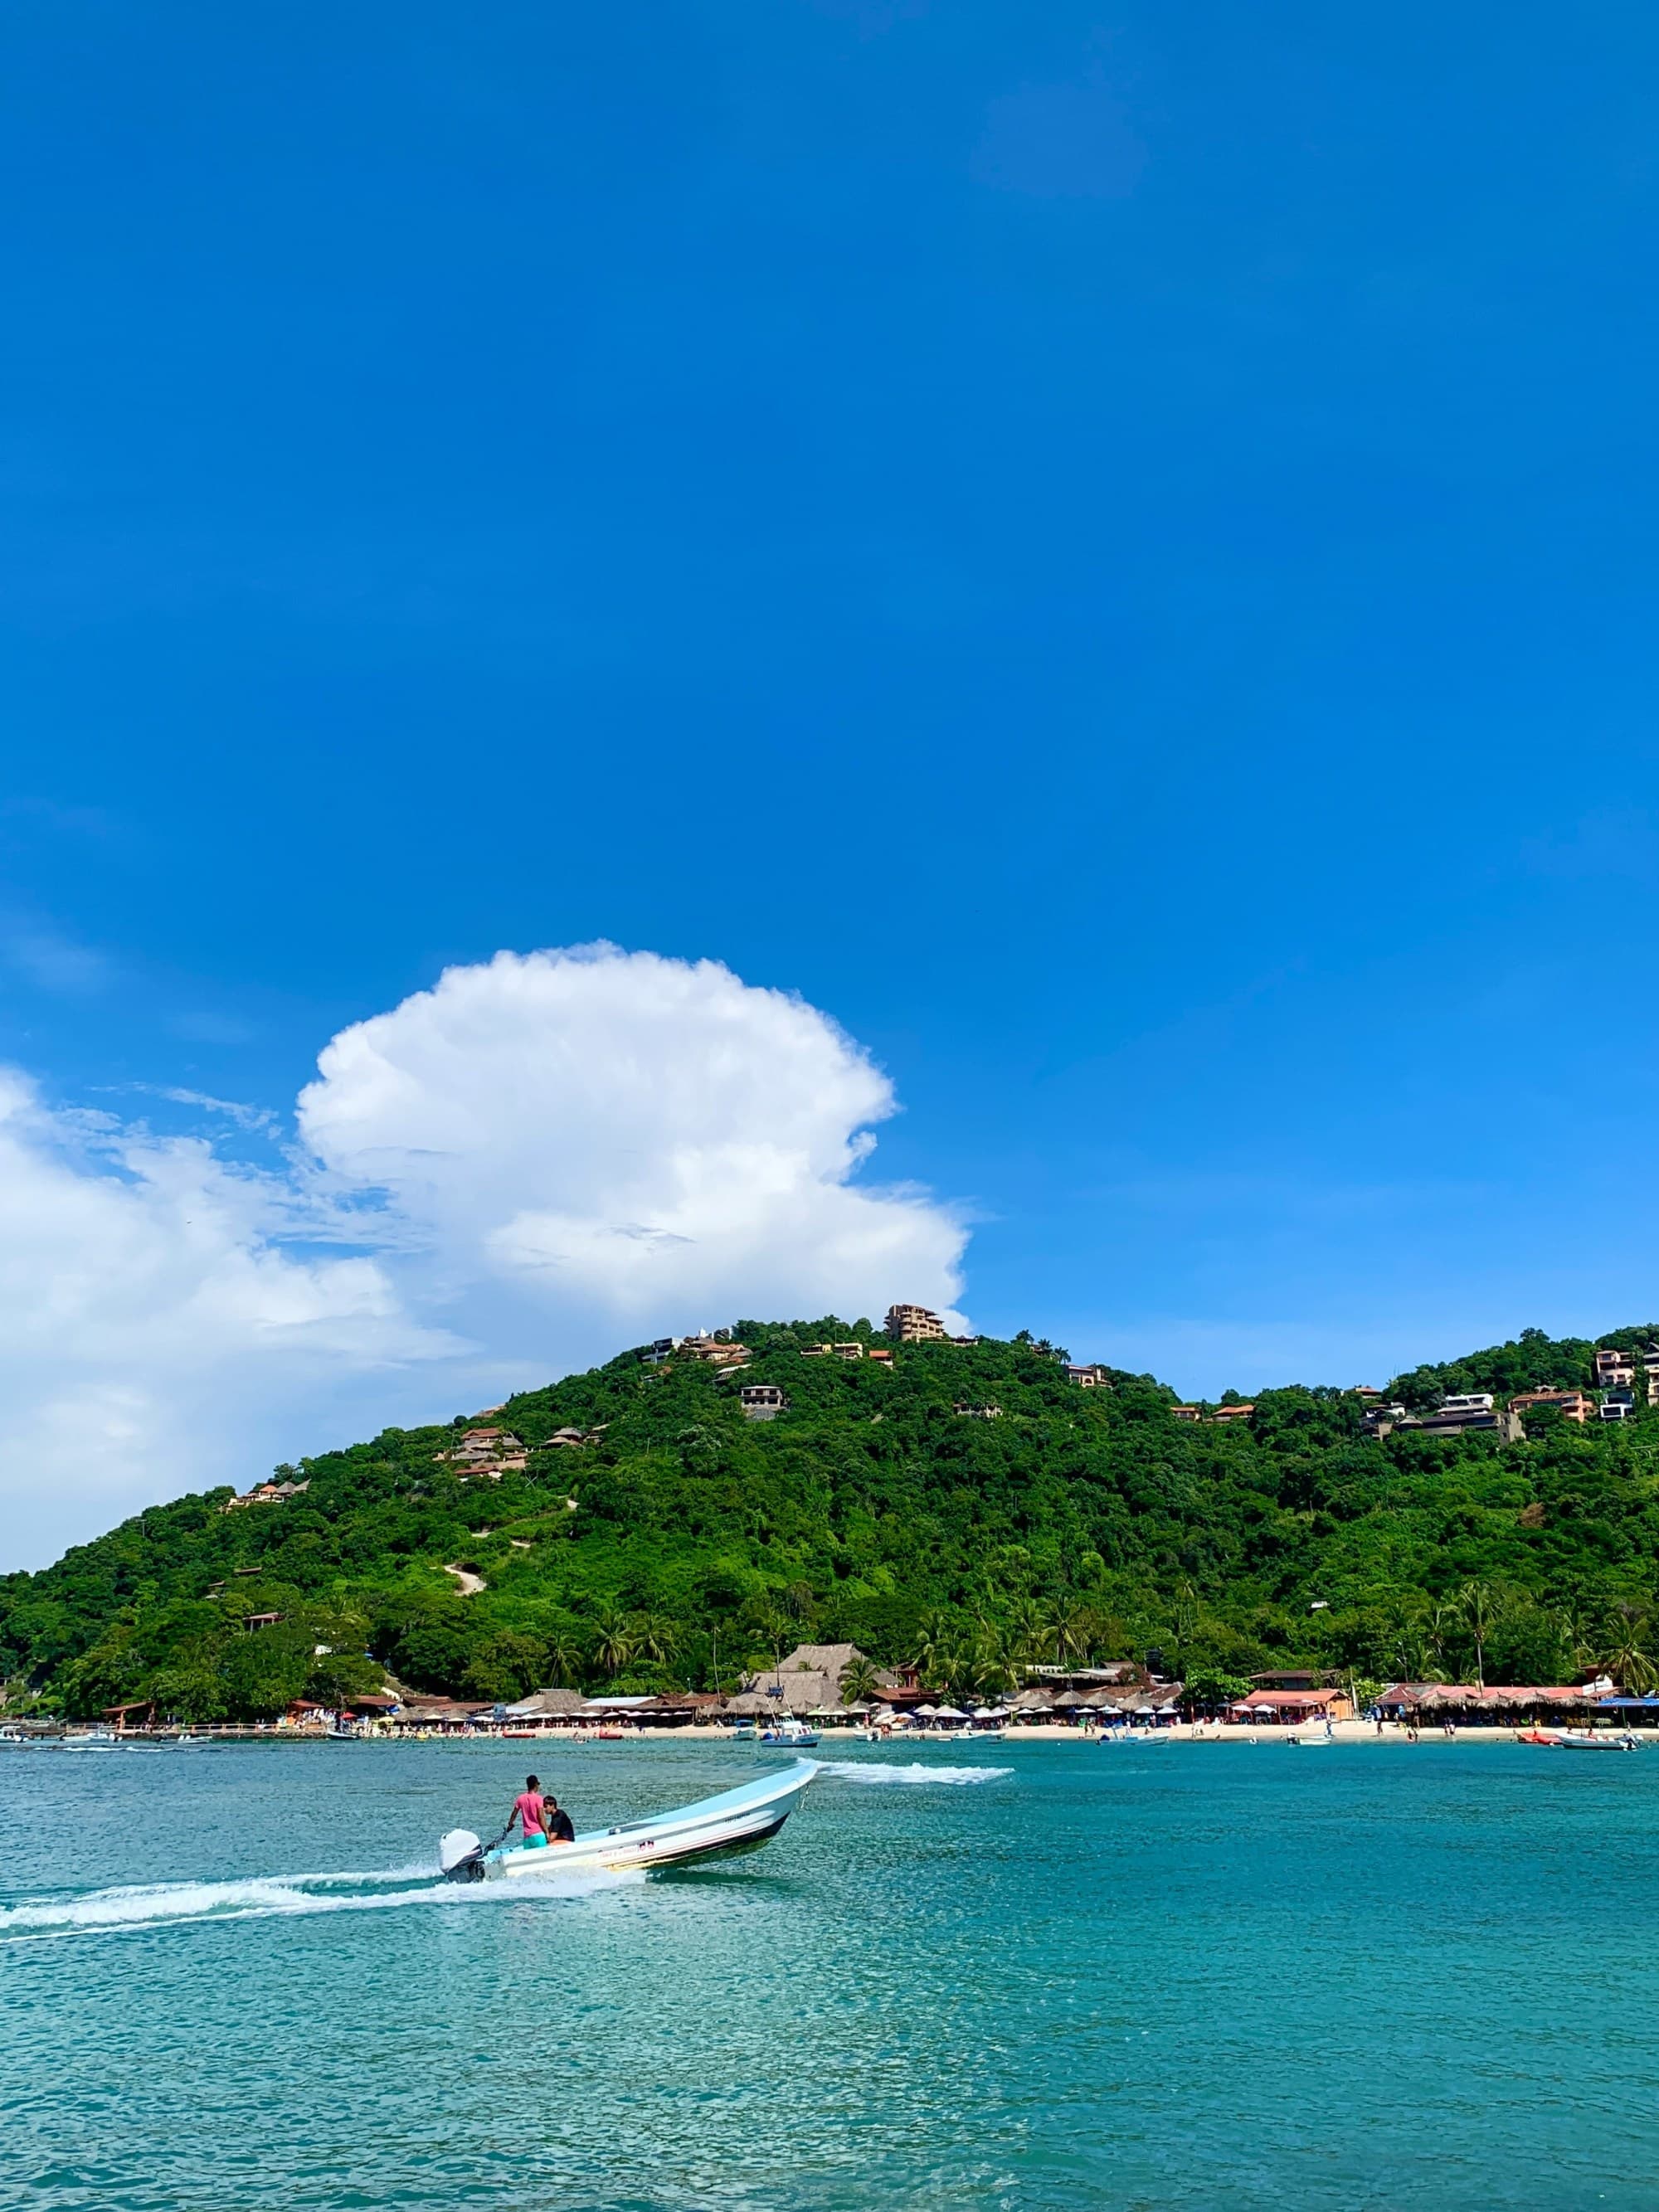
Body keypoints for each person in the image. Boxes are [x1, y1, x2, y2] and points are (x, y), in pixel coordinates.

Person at [509, 1773, 547, 1849]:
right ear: (536, 1785)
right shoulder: (539, 1798)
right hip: (538, 1834)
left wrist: (511, 1823)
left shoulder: (521, 1798)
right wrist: (546, 1831)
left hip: (527, 1836)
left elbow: (514, 1813)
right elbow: (541, 1816)